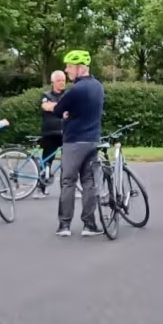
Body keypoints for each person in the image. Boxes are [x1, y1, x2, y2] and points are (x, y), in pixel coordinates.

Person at [41, 50, 104, 238]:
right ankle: (89, 225)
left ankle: (64, 225)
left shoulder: (76, 89)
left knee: (68, 182)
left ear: (79, 67)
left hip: (74, 141)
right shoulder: (98, 86)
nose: (66, 70)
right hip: (93, 140)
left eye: (69, 66)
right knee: (89, 183)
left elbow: (59, 110)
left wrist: (63, 111)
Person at [35, 70, 66, 198]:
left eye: (63, 80)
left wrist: (56, 106)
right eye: (59, 80)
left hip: (66, 132)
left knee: (69, 161)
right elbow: (46, 106)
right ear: (53, 82)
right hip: (50, 132)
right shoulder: (46, 94)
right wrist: (62, 106)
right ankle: (41, 188)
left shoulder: (68, 94)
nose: (62, 83)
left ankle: (68, 188)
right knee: (47, 160)